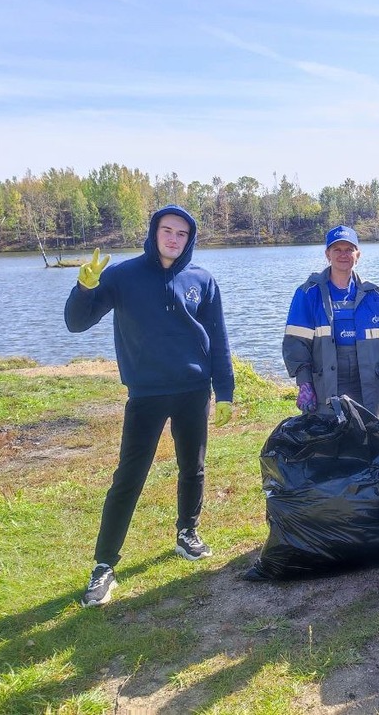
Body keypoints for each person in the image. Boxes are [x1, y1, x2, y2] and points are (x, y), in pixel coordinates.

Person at [65, 205, 235, 606]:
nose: (173, 239)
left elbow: (219, 339)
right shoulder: (123, 276)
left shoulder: (202, 280)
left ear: (190, 239)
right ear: (153, 233)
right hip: (146, 393)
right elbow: (76, 322)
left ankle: (186, 533)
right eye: (167, 231)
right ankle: (104, 565)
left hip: (194, 389)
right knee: (129, 475)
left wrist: (224, 392)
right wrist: (84, 289)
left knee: (192, 466)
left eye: (181, 233)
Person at [283, 225, 379, 418]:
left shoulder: (372, 295)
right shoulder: (308, 293)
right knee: (330, 440)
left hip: (367, 381)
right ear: (327, 254)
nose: (343, 255)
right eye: (337, 249)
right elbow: (296, 342)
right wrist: (304, 383)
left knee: (366, 436)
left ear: (358, 255)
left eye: (349, 250)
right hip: (327, 381)